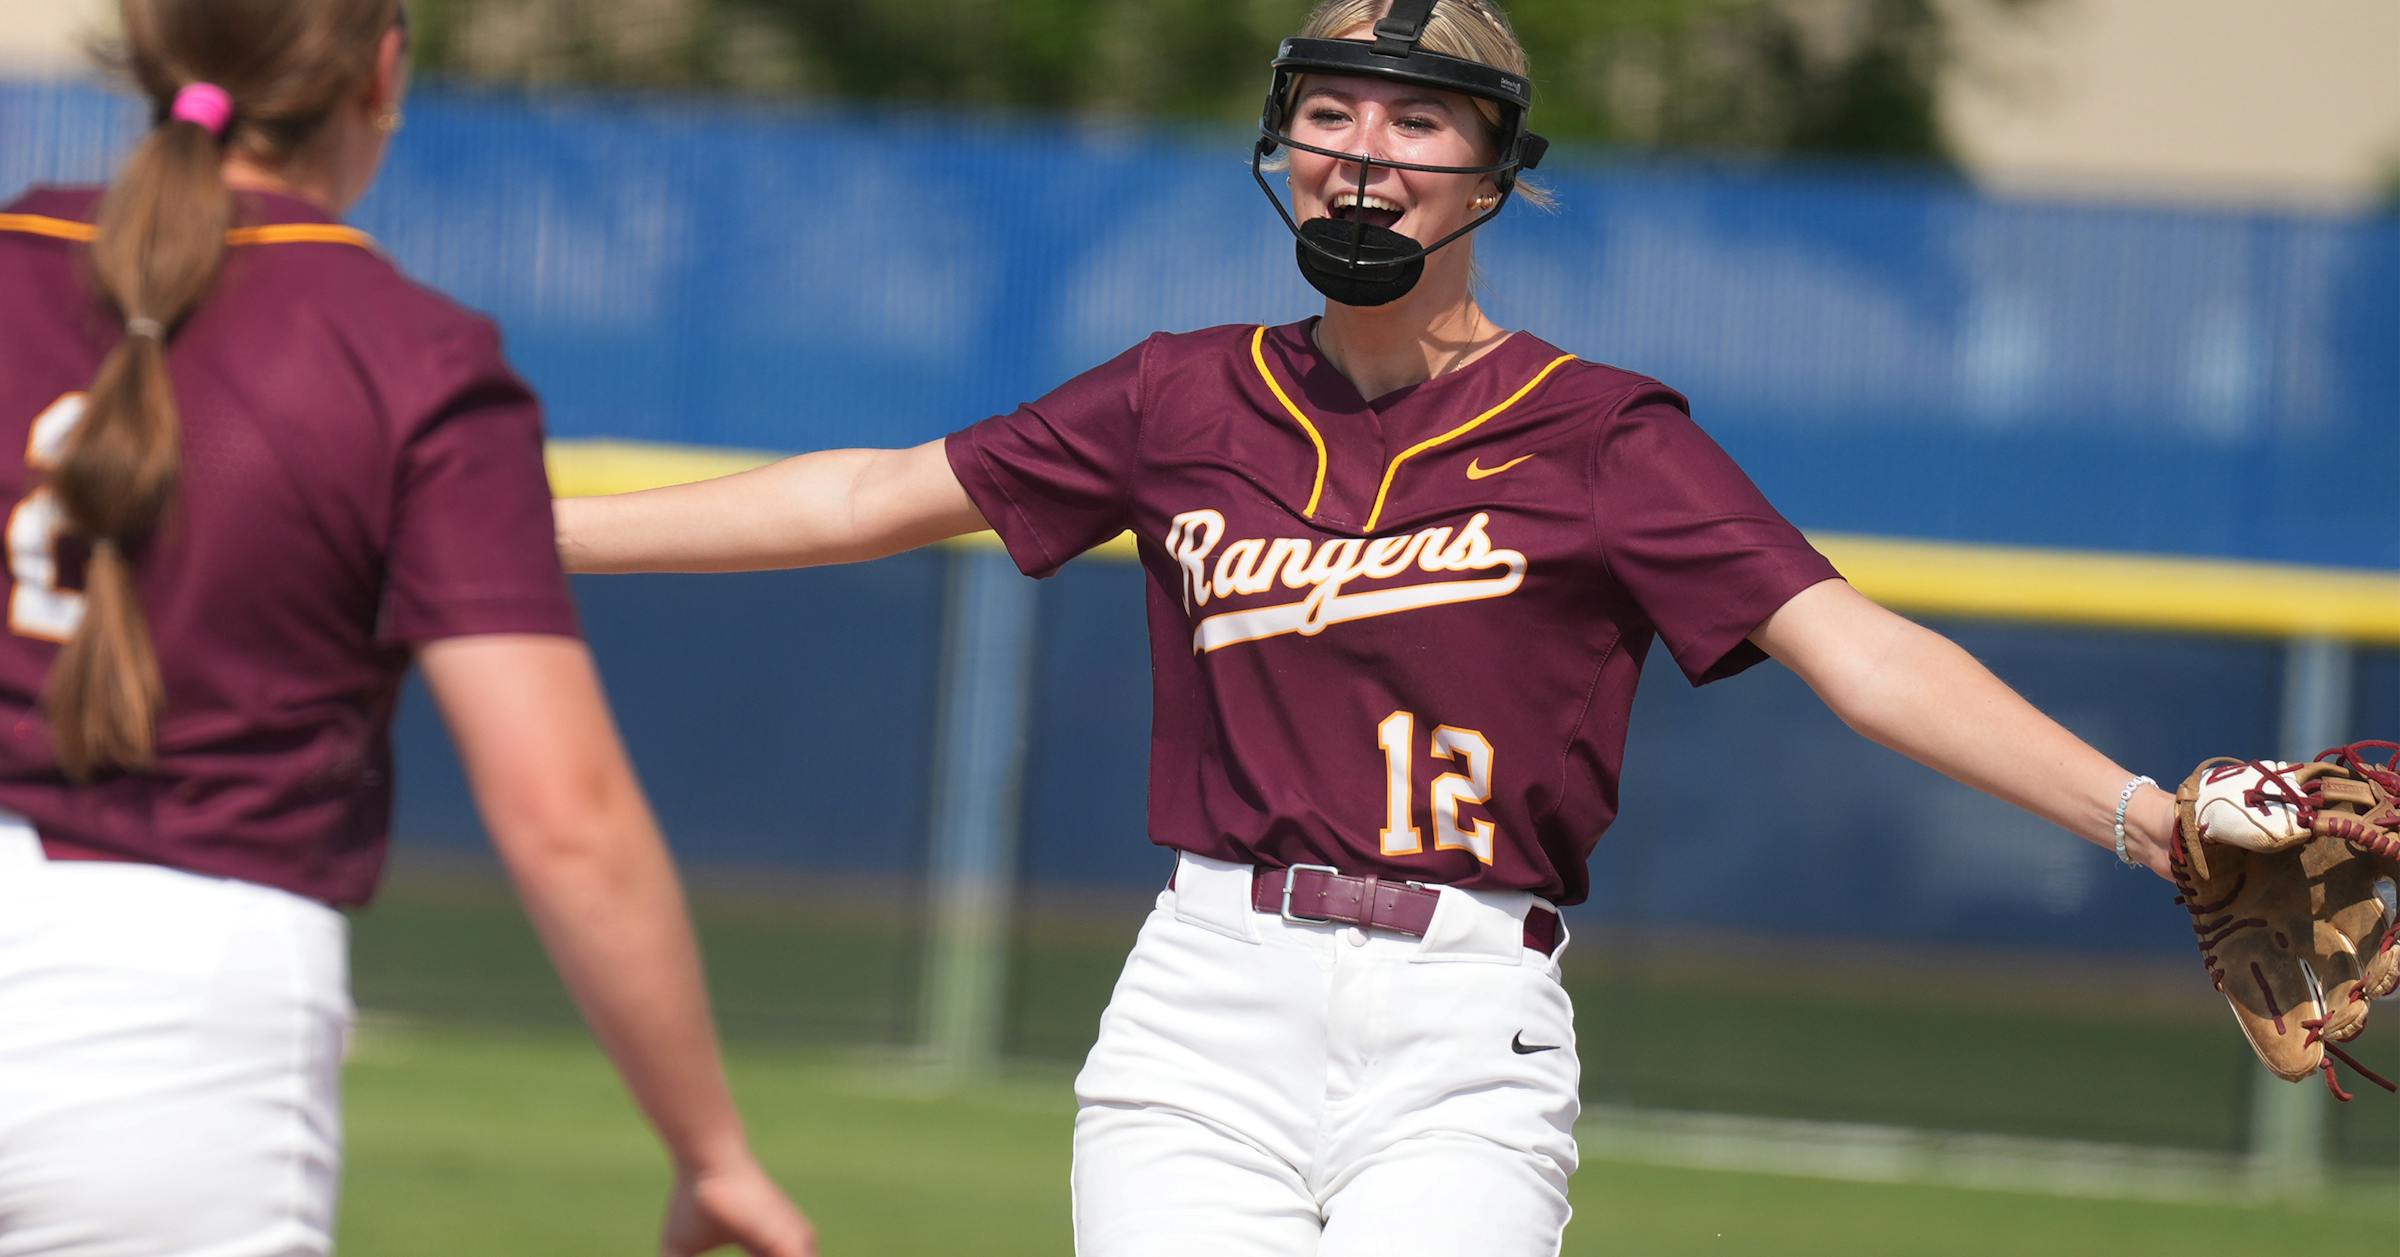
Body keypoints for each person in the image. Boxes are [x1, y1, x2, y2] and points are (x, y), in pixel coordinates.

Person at [556, 2, 2182, 1253]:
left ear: (1497, 171)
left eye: (1420, 117)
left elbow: (1860, 650)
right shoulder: (1181, 393)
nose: (1363, 147)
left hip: (1465, 1018)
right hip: (1205, 994)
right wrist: (520, 535)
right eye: (1329, 110)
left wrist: (2151, 820)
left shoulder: (1602, 433)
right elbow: (863, 500)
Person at [0, 3, 812, 1255]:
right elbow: (566, 818)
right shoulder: (408, 355)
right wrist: (711, 1151)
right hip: (177, 1015)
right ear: (380, 72)